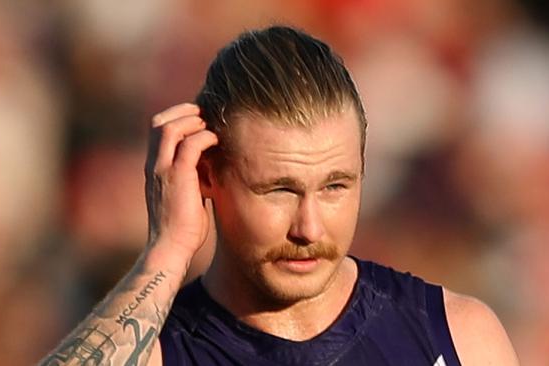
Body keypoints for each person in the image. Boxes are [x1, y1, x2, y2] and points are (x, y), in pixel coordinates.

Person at [40, 25, 518, 366]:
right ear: (207, 176)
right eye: (279, 190)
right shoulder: (164, 350)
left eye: (335, 186)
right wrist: (167, 250)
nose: (308, 228)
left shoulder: (455, 337)